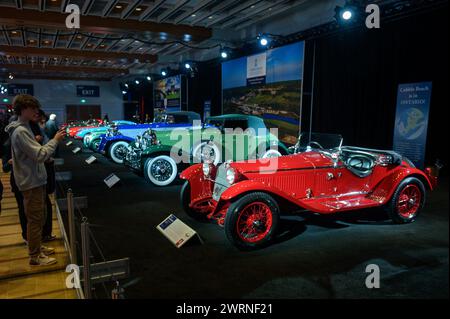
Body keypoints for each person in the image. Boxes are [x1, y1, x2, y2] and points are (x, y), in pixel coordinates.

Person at [5, 95, 65, 266]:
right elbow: (39, 154)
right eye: (33, 108)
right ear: (23, 109)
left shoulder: (24, 128)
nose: (36, 111)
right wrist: (55, 141)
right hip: (31, 182)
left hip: (33, 180)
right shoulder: (21, 131)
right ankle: (35, 255)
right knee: (35, 219)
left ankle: (37, 247)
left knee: (39, 217)